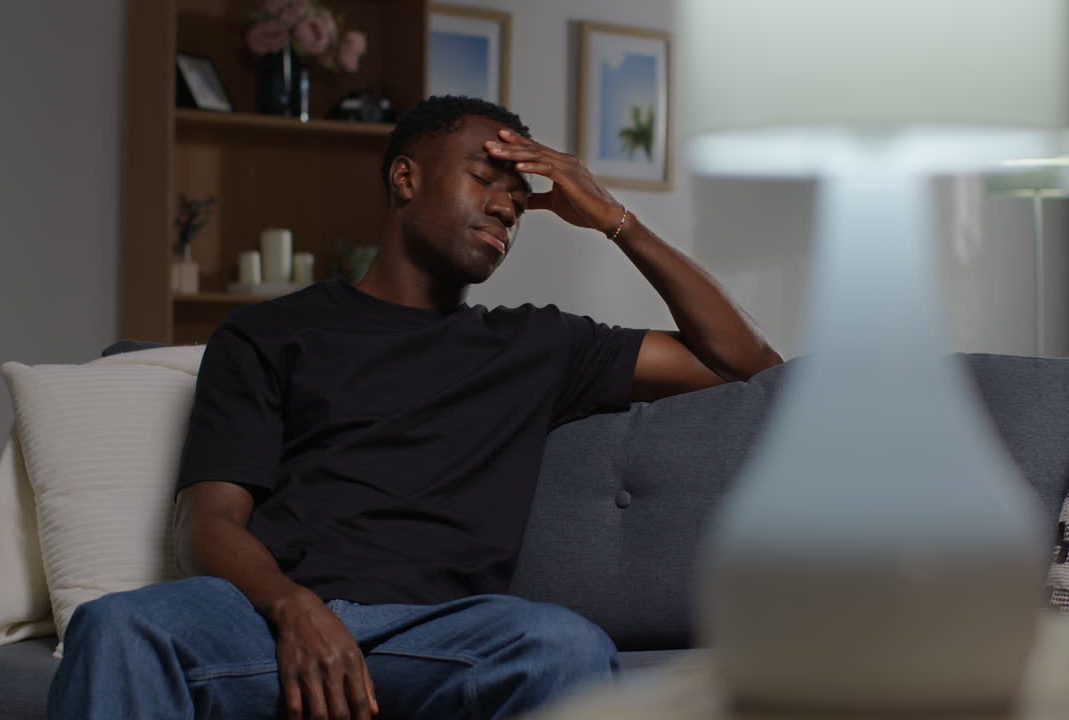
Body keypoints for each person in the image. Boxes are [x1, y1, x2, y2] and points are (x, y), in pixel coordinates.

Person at [47, 96, 782, 720]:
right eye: (486, 178)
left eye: (520, 200)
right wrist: (293, 607)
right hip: (267, 623)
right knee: (117, 625)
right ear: (406, 177)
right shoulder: (268, 333)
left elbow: (743, 364)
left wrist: (614, 218)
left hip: (444, 636)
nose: (507, 205)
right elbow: (206, 522)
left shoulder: (536, 343)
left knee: (562, 647)